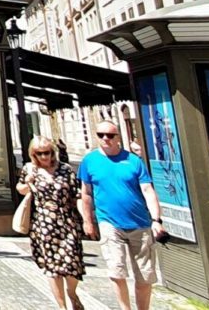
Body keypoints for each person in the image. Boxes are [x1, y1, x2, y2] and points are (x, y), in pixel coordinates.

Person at [78, 122, 166, 310]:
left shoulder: (133, 161)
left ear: (118, 137)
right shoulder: (89, 161)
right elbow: (86, 193)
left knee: (144, 275)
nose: (105, 139)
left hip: (140, 223)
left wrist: (156, 220)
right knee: (116, 271)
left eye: (110, 135)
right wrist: (87, 221)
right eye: (101, 135)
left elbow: (147, 190)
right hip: (109, 223)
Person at [17, 135, 84, 309]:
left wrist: (86, 219)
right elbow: (21, 189)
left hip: (67, 221)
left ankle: (72, 292)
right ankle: (62, 306)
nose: (44, 157)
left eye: (47, 152)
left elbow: (76, 195)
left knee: (72, 263)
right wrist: (28, 182)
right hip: (43, 223)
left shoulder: (65, 169)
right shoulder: (30, 169)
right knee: (52, 267)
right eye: (40, 153)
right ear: (34, 154)